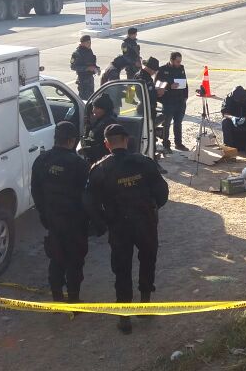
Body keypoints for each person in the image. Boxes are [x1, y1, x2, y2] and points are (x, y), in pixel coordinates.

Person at [84, 123, 169, 334]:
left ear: (106, 144)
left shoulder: (99, 169)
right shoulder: (145, 163)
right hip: (145, 222)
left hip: (119, 226)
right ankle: (145, 304)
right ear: (127, 140)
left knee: (122, 268)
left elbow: (90, 202)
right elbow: (162, 192)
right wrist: (152, 208)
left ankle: (124, 317)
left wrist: (102, 223)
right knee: (148, 261)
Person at [31, 122, 91, 303]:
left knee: (56, 258)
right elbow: (88, 196)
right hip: (75, 222)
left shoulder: (41, 161)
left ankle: (57, 296)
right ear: (72, 141)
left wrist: (45, 214)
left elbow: (36, 191)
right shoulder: (79, 165)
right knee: (75, 261)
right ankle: (73, 299)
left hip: (52, 220)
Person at [156, 52, 189, 152]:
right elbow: (157, 85)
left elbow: (185, 83)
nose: (179, 63)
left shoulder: (181, 68)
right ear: (171, 60)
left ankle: (178, 143)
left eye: (180, 61)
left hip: (180, 100)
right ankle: (165, 144)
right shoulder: (162, 70)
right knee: (166, 123)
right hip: (168, 101)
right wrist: (169, 86)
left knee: (178, 123)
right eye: (177, 61)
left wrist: (185, 96)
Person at [220, 86, 246, 154]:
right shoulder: (228, 98)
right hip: (234, 120)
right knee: (225, 122)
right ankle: (229, 148)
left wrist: (245, 119)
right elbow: (224, 113)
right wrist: (232, 118)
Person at [81, 96, 119, 165]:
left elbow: (107, 147)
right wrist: (88, 125)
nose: (93, 111)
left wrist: (88, 151)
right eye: (93, 107)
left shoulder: (109, 124)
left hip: (102, 163)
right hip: (94, 160)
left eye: (96, 108)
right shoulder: (100, 121)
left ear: (105, 109)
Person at [70, 35, 100, 100]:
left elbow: (91, 63)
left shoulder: (89, 51)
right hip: (82, 80)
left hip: (90, 78)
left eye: (90, 42)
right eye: (87, 42)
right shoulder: (77, 53)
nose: (89, 44)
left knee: (91, 97)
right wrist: (86, 68)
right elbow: (73, 67)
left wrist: (97, 68)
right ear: (82, 43)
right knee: (83, 99)